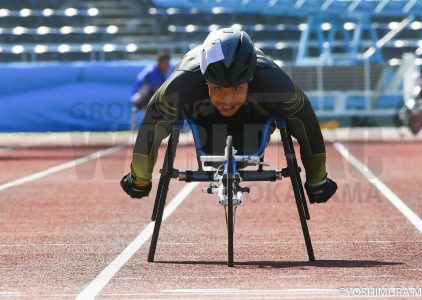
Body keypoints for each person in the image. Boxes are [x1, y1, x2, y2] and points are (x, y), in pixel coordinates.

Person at [120, 28, 337, 204]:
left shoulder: (276, 83)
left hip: (255, 121)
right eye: (218, 89)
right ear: (206, 81)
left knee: (292, 114)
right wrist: (140, 178)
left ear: (250, 79)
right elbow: (151, 127)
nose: (227, 99)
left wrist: (317, 180)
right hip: (204, 122)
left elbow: (307, 126)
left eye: (235, 89)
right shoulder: (181, 85)